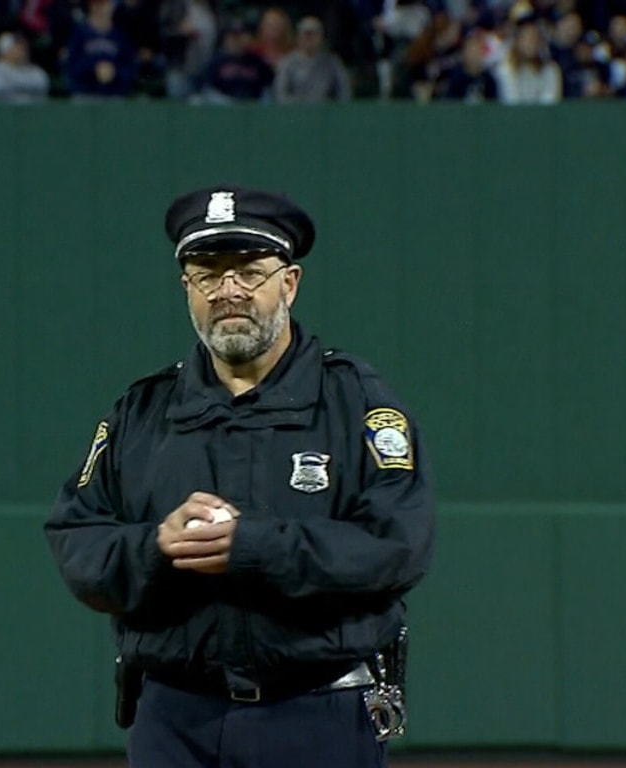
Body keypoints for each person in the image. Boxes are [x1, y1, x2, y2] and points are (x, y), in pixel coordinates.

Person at [42, 185, 437, 768]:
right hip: (175, 720)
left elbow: (398, 546)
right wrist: (156, 546)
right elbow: (77, 541)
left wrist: (252, 545)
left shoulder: (354, 402)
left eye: (250, 271)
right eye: (207, 274)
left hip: (317, 713)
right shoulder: (143, 411)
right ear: (187, 290)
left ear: (290, 283)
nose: (229, 291)